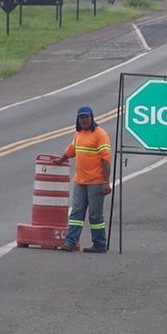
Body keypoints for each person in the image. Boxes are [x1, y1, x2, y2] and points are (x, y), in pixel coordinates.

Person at [54, 106, 112, 253]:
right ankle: (71, 242)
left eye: (86, 117)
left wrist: (105, 182)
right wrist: (61, 160)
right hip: (80, 181)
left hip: (96, 182)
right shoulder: (78, 134)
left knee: (95, 215)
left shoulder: (100, 134)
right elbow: (71, 150)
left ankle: (99, 244)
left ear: (92, 118)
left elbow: (106, 160)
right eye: (81, 118)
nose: (84, 120)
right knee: (76, 214)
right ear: (78, 120)